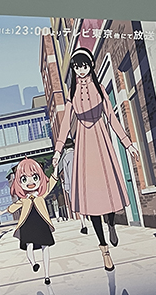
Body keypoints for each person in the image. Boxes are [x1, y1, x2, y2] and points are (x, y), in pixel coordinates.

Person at [52, 46, 140, 271]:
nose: (80, 70)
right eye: (77, 67)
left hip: (101, 140)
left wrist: (127, 143)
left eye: (84, 66)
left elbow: (111, 118)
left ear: (90, 66)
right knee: (90, 201)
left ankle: (111, 223)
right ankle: (104, 250)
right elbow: (65, 125)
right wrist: (58, 151)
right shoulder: (72, 95)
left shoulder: (100, 89)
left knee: (107, 190)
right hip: (84, 144)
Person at [7, 157, 57, 285]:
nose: (30, 182)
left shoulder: (41, 195)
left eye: (35, 177)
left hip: (41, 223)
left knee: (45, 247)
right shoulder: (24, 200)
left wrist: (55, 168)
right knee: (29, 245)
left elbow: (51, 183)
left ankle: (47, 275)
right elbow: (16, 205)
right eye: (24, 179)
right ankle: (34, 263)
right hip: (27, 224)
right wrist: (5, 211)